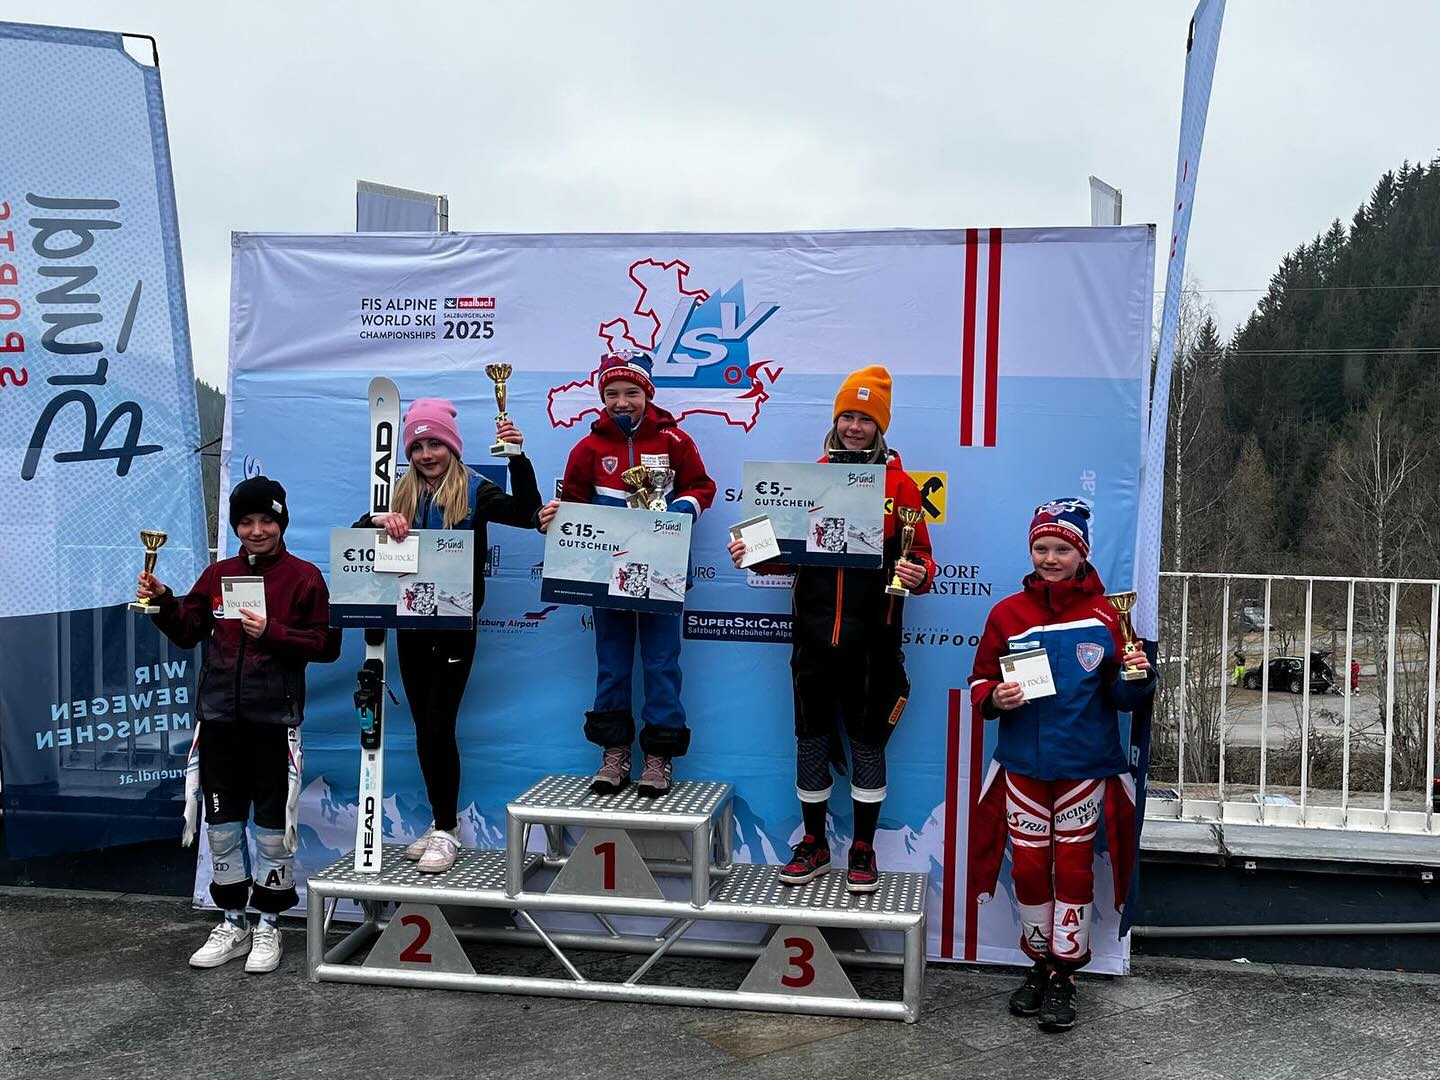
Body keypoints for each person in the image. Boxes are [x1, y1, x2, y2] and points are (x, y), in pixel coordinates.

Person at [727, 366, 934, 892]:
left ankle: (862, 847)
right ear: (835, 419)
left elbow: (923, 561)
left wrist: (917, 573)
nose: (854, 427)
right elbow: (780, 557)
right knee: (811, 740)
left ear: (880, 426)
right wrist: (753, 555)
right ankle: (815, 841)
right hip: (814, 639)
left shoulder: (901, 485)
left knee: (868, 744)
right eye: (848, 416)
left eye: (866, 418)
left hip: (875, 642)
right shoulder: (809, 479)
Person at [967, 498, 1156, 1033]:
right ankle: (1039, 962)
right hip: (1023, 765)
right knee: (1028, 868)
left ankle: (1065, 976)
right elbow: (980, 678)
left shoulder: (1107, 614)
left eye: (1062, 549)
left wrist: (1138, 675)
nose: (1050, 558)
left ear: (1082, 554)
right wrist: (994, 699)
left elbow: (1123, 698)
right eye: (1041, 548)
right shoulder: (1007, 613)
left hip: (1085, 765)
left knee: (1072, 869)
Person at [138, 476, 342, 973]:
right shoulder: (219, 574)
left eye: (266, 520)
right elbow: (188, 631)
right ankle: (233, 921)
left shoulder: (305, 577)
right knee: (222, 825)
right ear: (235, 527)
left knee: (273, 829)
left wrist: (274, 632)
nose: (256, 531)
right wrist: (163, 600)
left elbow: (327, 644)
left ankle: (269, 926)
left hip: (273, 721)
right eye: (246, 522)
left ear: (281, 523)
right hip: (219, 721)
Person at [359, 397, 542, 873]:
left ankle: (446, 830)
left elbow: (527, 513)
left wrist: (518, 458)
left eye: (435, 443)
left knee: (440, 726)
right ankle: (443, 823)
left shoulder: (476, 491)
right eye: (417, 445)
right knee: (425, 730)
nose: (426, 454)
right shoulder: (399, 494)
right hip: (412, 625)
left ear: (452, 447)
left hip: (455, 628)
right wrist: (377, 523)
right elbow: (360, 540)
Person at [537, 351, 715, 797]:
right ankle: (614, 752)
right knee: (612, 663)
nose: (622, 401)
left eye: (631, 393)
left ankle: (659, 755)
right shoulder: (588, 448)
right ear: (602, 397)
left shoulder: (674, 440)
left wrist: (680, 510)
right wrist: (558, 515)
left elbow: (703, 487)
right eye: (612, 393)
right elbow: (573, 502)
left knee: (661, 663)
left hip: (662, 571)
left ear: (647, 395)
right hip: (605, 571)